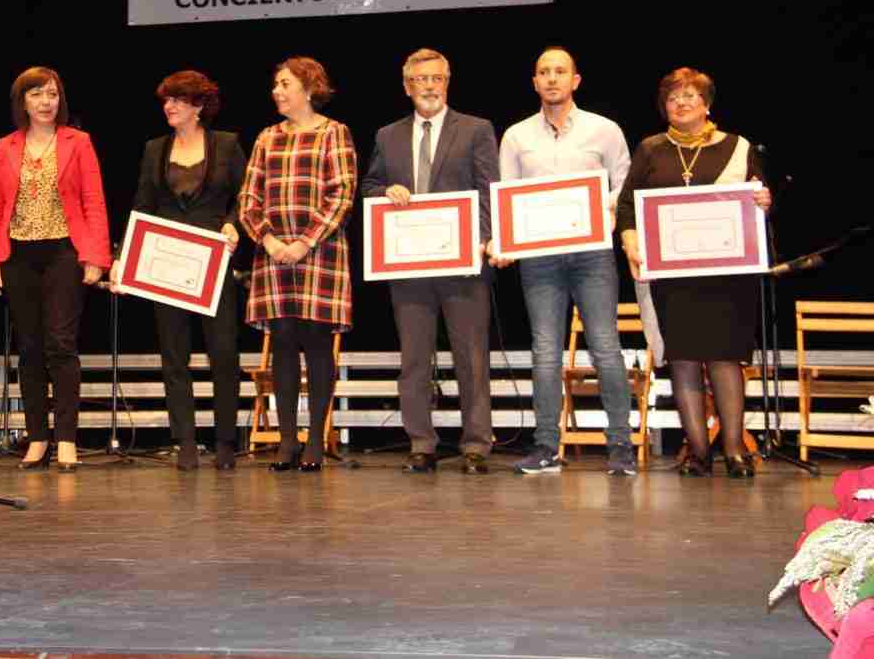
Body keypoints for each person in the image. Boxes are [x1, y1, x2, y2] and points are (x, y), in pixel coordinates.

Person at [618, 67, 771, 478]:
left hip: (726, 274)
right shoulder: (651, 149)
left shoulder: (737, 147)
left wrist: (764, 200)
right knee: (683, 360)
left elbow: (759, 198)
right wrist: (630, 239)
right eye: (672, 98)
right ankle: (699, 453)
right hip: (673, 277)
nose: (680, 103)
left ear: (706, 104)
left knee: (725, 359)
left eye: (689, 96)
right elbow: (628, 203)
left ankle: (735, 450)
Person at [493, 46, 637, 476]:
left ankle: (620, 447)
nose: (552, 78)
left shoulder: (605, 130)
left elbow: (624, 184)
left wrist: (598, 212)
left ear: (575, 80)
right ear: (534, 82)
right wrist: (505, 242)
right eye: (543, 72)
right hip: (539, 259)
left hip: (592, 253)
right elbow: (506, 195)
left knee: (605, 349)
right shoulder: (517, 136)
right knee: (545, 353)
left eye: (560, 71)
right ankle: (545, 447)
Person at [360, 48, 499, 474]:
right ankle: (421, 443)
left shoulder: (476, 129)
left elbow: (488, 190)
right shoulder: (387, 135)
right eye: (420, 80)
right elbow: (368, 186)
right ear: (406, 86)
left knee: (471, 357)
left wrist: (481, 240)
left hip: (463, 264)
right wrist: (385, 193)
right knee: (415, 357)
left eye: (436, 78)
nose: (429, 87)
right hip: (409, 267)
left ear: (448, 82)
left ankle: (476, 445)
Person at [110, 71, 246, 470]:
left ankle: (224, 442)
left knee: (223, 353)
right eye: (166, 100)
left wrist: (233, 224)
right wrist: (122, 257)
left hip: (214, 262)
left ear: (199, 106)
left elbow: (245, 197)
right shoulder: (155, 149)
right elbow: (142, 205)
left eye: (178, 100)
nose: (169, 107)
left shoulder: (226, 144)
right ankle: (185, 442)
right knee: (174, 357)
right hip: (164, 263)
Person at [0, 67, 110, 472]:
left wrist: (97, 258)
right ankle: (37, 439)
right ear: (23, 101)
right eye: (36, 94)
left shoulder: (79, 142)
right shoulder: (4, 146)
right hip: (17, 255)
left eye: (52, 94)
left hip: (64, 254)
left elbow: (94, 201)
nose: (45, 101)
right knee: (30, 348)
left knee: (61, 344)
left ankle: (67, 439)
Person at [238, 56, 356, 472]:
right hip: (273, 254)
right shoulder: (267, 137)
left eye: (284, 83)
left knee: (317, 343)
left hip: (319, 254)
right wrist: (269, 239)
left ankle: (315, 442)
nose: (276, 91)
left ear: (308, 88)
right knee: (284, 342)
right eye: (275, 84)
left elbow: (341, 195)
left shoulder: (334, 133)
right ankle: (288, 440)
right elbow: (248, 199)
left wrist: (304, 242)